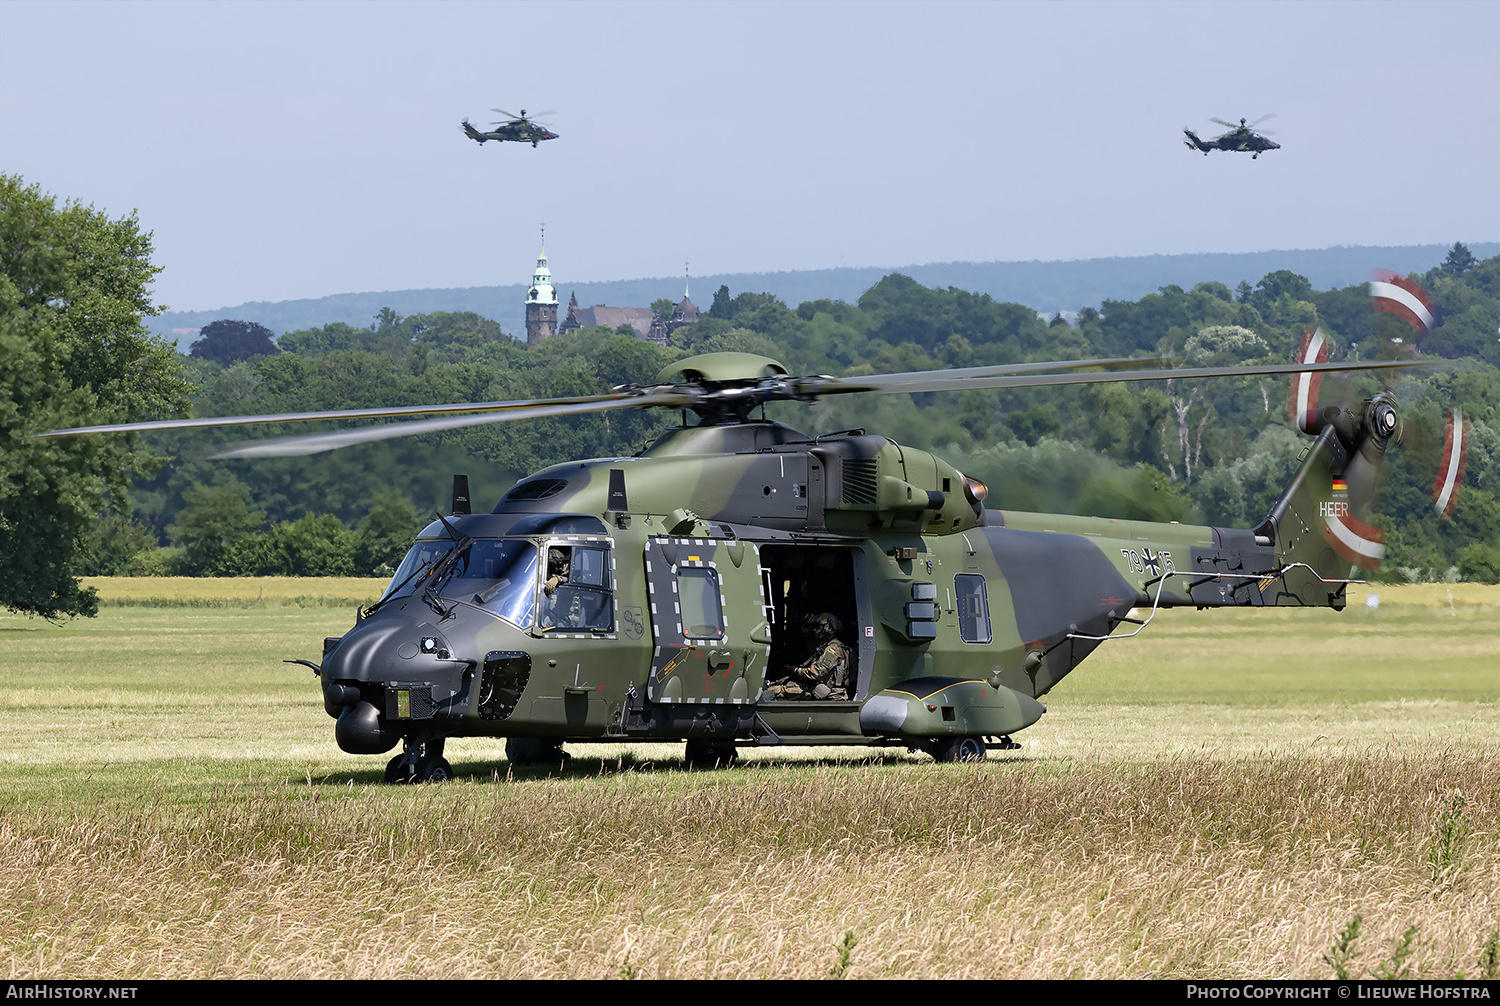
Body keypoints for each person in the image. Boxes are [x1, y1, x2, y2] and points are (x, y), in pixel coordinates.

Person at [766, 612, 851, 700]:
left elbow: (816, 673)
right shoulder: (829, 646)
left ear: (827, 629)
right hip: (820, 687)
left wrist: (796, 670)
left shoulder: (832, 649)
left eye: (818, 627)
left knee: (778, 691)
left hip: (826, 692)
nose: (814, 630)